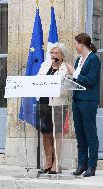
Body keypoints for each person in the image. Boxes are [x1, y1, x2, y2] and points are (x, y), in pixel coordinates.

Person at [66, 33, 101, 177]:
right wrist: (69, 79)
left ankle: (92, 166)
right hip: (77, 100)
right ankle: (82, 164)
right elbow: (77, 81)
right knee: (80, 134)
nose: (75, 46)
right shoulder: (78, 60)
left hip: (88, 100)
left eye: (76, 43)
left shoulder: (94, 59)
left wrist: (74, 75)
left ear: (82, 44)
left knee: (90, 133)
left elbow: (90, 81)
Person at [36, 43, 69, 174]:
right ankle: (48, 161)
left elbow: (67, 86)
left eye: (56, 53)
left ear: (62, 55)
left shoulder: (65, 68)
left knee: (57, 134)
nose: (54, 55)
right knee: (46, 133)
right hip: (43, 102)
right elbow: (38, 80)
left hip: (59, 103)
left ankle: (57, 163)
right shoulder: (44, 66)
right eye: (52, 53)